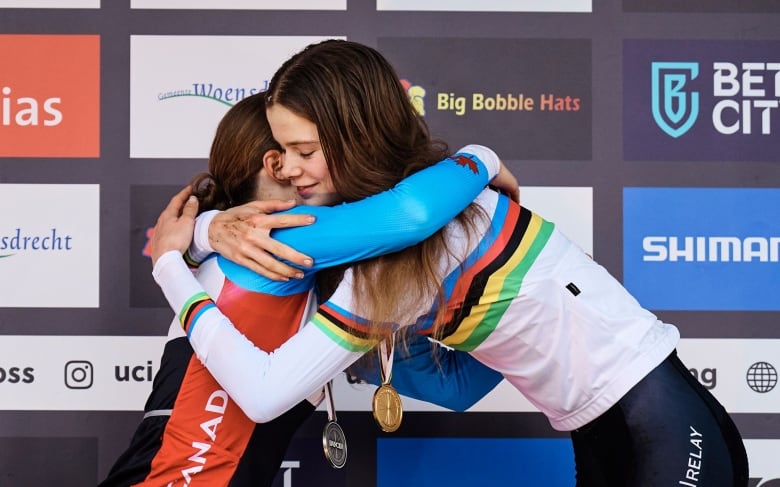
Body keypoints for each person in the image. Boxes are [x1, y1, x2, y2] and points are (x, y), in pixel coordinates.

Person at [151, 39, 749, 486]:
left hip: (662, 421)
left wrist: (177, 260)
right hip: (598, 429)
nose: (291, 170)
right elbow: (463, 382)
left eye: (304, 151)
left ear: (356, 133)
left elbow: (396, 221)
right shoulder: (389, 251)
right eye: (280, 152)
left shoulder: (420, 221)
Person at [104, 91, 509, 486]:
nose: (350, 160)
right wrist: (483, 160)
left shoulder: (327, 288)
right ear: (277, 164)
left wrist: (525, 311)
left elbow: (454, 385)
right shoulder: (275, 245)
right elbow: (409, 215)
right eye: (319, 148)